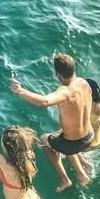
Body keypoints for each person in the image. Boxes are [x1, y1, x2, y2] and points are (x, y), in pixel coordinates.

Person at [9, 53, 93, 191]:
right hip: (89, 136)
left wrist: (20, 91)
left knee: (43, 140)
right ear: (73, 70)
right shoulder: (84, 83)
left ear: (58, 75)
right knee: (63, 135)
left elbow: (45, 101)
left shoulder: (65, 91)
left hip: (74, 143)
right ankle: (82, 172)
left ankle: (65, 180)